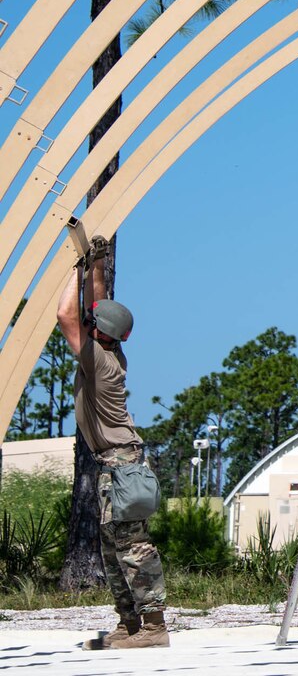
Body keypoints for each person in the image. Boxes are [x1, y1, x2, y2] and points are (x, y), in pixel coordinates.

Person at [56, 235, 168, 650]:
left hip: (122, 467)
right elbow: (98, 305)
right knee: (112, 551)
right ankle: (130, 626)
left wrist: (72, 269)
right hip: (116, 466)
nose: (87, 323)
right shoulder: (111, 352)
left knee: (134, 549)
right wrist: (95, 265)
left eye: (92, 324)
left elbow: (66, 316)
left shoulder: (99, 362)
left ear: (99, 334)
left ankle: (153, 628)